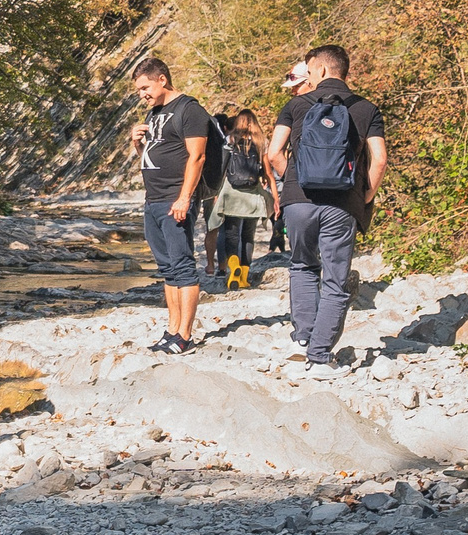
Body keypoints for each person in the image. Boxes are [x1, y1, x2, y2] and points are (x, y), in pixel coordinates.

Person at [265, 44, 387, 374]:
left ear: (318, 70)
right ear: (344, 71)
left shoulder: (296, 104)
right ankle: (319, 357)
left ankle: (302, 339)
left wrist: (292, 181)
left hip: (298, 201)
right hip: (343, 203)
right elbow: (380, 160)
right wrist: (363, 196)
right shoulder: (367, 109)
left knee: (302, 266)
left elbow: (274, 152)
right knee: (335, 281)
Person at [131, 57, 211, 353]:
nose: (142, 94)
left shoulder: (189, 109)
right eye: (139, 90)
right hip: (153, 199)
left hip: (174, 199)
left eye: (145, 87)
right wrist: (137, 144)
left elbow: (197, 157)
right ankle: (171, 330)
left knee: (183, 267)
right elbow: (151, 157)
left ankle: (185, 336)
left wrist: (184, 197)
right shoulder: (154, 113)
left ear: (162, 79)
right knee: (168, 270)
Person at [211, 108, 276, 284]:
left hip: (232, 193)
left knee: (231, 235)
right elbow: (269, 174)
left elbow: (222, 168)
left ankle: (234, 268)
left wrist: (216, 193)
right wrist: (276, 199)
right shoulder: (262, 142)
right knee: (248, 236)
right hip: (252, 193)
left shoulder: (230, 139)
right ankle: (244, 277)